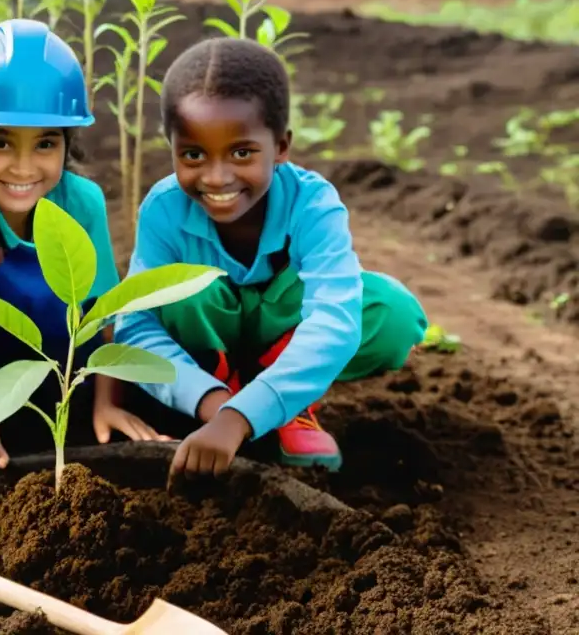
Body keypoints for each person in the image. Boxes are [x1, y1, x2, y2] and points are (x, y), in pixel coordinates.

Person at [114, 36, 428, 479]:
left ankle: (286, 404)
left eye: (242, 152)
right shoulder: (164, 209)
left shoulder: (313, 204)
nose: (217, 176)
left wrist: (241, 418)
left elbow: (332, 321)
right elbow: (136, 327)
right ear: (171, 147)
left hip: (282, 332)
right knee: (174, 293)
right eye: (193, 155)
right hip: (209, 356)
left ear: (281, 146)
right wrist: (213, 404)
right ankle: (226, 389)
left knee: (392, 314)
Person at [0, 18, 166, 485]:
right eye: (0, 142)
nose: (23, 167)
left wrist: (106, 403)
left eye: (45, 144)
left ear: (67, 142)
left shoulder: (81, 201)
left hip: (43, 396)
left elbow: (100, 313)